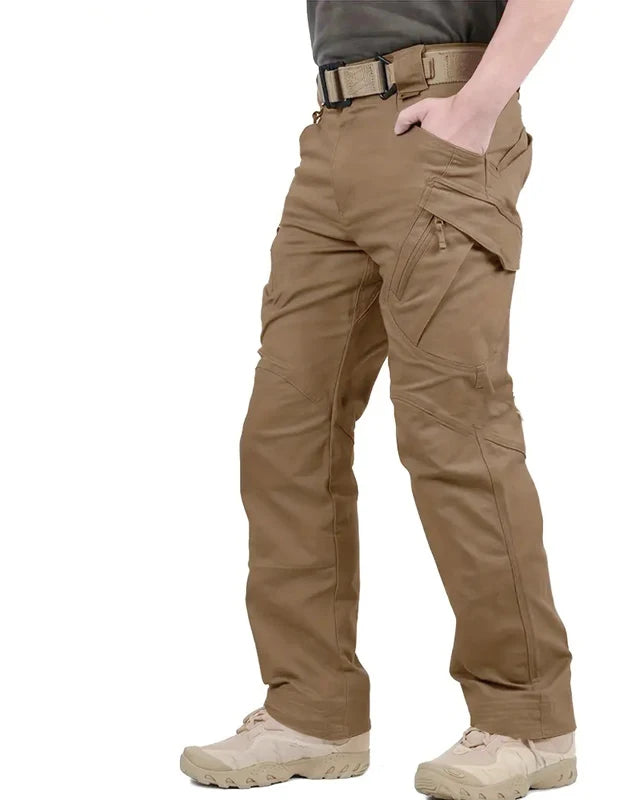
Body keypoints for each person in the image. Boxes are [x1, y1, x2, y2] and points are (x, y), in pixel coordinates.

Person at [180, 1, 576, 796]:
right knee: (285, 431)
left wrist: (479, 105)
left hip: (443, 115)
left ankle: (527, 720)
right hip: (332, 132)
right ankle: (312, 709)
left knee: (454, 431)